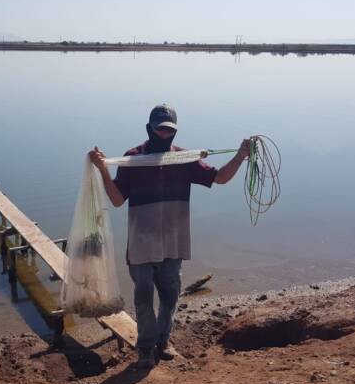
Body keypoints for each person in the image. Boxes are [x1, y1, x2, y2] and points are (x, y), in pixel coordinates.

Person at [89, 103, 250, 368]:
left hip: (173, 242)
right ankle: (144, 350)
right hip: (141, 242)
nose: (164, 134)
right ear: (149, 128)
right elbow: (117, 200)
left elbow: (219, 178)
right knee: (143, 298)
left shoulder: (184, 159)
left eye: (169, 130)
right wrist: (102, 169)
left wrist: (241, 155)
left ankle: (163, 343)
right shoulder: (133, 158)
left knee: (170, 296)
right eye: (159, 129)